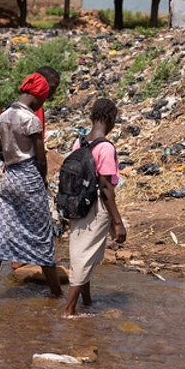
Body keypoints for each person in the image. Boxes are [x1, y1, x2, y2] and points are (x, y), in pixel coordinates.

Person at [0, 72, 62, 300]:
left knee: (1, 232)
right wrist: (43, 180)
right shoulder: (31, 120)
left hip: (9, 178)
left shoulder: (4, 116)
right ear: (38, 96)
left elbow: (2, 151)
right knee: (41, 234)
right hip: (29, 176)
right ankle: (57, 294)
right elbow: (40, 158)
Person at [65, 98, 127, 318]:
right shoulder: (106, 148)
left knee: (84, 252)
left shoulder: (79, 143)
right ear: (111, 119)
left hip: (78, 205)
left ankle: (86, 302)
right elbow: (106, 186)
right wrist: (117, 222)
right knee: (85, 256)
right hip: (97, 207)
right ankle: (69, 310)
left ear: (92, 117)